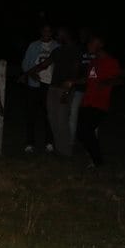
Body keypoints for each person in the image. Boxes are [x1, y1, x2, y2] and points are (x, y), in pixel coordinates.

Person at [73, 34, 120, 168]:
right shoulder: (93, 62)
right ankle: (95, 158)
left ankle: (97, 161)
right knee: (81, 133)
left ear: (100, 44)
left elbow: (118, 79)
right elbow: (88, 80)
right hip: (87, 102)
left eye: (91, 43)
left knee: (86, 131)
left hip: (99, 103)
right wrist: (73, 82)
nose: (88, 45)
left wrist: (106, 82)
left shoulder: (110, 62)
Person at [43, 28, 83, 157]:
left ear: (67, 35)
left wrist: (69, 87)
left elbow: (76, 69)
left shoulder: (75, 50)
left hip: (64, 88)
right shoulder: (57, 51)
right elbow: (45, 63)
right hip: (53, 88)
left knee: (62, 120)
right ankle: (59, 148)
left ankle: (66, 151)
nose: (58, 36)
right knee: (52, 118)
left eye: (60, 34)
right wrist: (29, 72)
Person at [20, 24, 57, 153]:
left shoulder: (56, 46)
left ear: (52, 32)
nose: (47, 32)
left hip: (50, 85)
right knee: (31, 114)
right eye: (44, 30)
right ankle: (30, 143)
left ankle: (49, 142)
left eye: (49, 30)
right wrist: (31, 74)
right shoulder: (33, 45)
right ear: (41, 32)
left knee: (49, 115)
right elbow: (25, 64)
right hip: (34, 84)